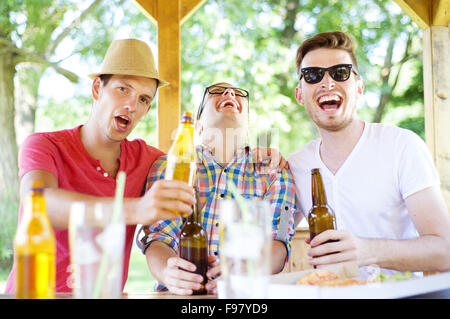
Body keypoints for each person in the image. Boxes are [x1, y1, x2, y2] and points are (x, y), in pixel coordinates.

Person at [5, 38, 198, 293]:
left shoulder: (149, 160)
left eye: (143, 99)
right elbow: (39, 204)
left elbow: (198, 166)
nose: (132, 105)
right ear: (97, 88)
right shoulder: (44, 145)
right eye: (123, 89)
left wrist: (261, 156)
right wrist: (134, 209)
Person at [288, 31, 450, 277]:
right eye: (312, 75)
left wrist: (368, 251)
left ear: (359, 87)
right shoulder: (296, 164)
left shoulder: (402, 146)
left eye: (340, 72)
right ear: (300, 94)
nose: (327, 82)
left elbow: (445, 250)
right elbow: (273, 240)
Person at [137, 82, 297, 295]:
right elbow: (159, 238)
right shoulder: (172, 167)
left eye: (237, 93)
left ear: (247, 128)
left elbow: (279, 245)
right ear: (199, 126)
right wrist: (169, 272)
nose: (230, 93)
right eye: (216, 92)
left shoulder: (274, 171)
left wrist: (244, 269)